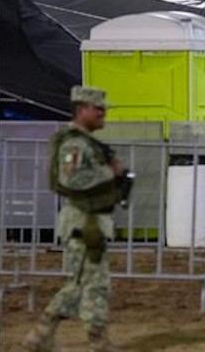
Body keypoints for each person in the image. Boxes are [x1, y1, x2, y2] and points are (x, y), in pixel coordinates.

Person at [23, 86, 124, 352]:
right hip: (83, 222)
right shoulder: (75, 144)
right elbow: (72, 179)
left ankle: (40, 337)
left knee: (83, 283)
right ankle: (96, 342)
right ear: (81, 110)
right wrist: (108, 173)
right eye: (98, 109)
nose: (103, 114)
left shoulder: (86, 142)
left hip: (90, 221)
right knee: (94, 283)